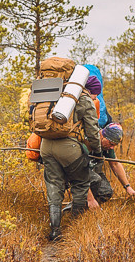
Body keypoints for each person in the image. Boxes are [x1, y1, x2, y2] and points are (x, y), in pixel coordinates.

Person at [41, 85, 101, 241]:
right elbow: (92, 130)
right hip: (69, 147)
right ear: (91, 90)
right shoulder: (83, 99)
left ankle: (55, 231)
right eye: (96, 94)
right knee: (80, 184)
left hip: (46, 146)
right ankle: (76, 228)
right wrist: (97, 150)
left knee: (54, 186)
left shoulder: (53, 93)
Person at [89, 122, 135, 203]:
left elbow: (115, 164)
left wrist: (127, 187)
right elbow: (77, 171)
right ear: (102, 136)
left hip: (91, 172)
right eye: (111, 144)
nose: (112, 147)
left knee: (105, 193)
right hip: (76, 171)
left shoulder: (107, 146)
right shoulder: (89, 140)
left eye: (114, 145)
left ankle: (89, 211)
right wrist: (90, 199)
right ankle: (72, 210)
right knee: (94, 180)